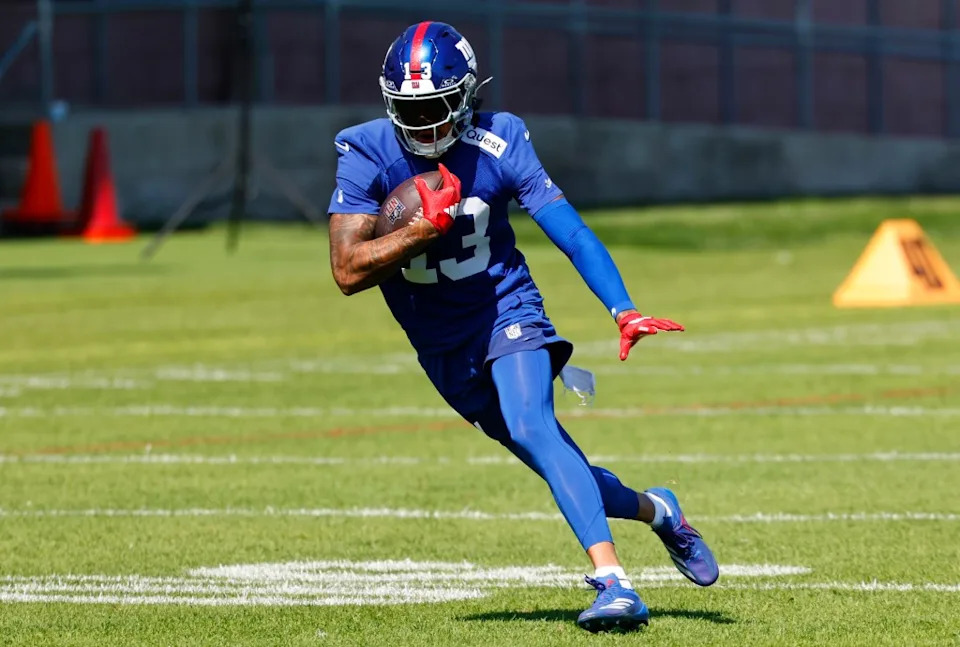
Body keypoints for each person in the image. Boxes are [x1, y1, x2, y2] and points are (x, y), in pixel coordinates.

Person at [327, 21, 718, 633]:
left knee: (534, 423)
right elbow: (347, 271)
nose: (425, 126)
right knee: (556, 460)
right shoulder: (366, 149)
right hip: (442, 346)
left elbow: (570, 230)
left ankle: (614, 583)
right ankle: (658, 510)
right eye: (411, 110)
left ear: (465, 97)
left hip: (508, 311)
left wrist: (623, 309)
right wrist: (415, 233)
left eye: (436, 108)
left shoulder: (500, 140)